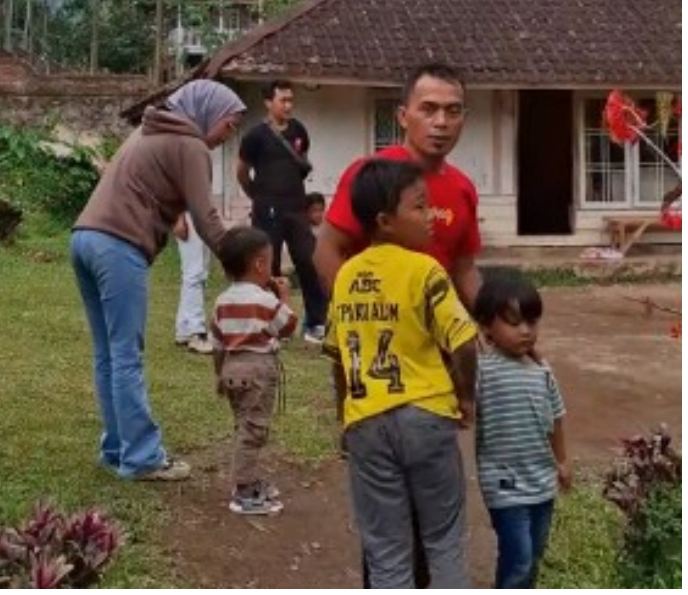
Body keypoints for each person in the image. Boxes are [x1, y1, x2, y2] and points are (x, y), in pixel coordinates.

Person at [314, 63, 485, 588]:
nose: (441, 122)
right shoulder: (372, 177)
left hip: (433, 385)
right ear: (402, 115)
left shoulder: (461, 189)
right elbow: (328, 251)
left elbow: (464, 271)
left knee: (425, 520)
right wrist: (369, 321)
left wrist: (501, 321)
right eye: (428, 109)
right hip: (386, 378)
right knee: (395, 536)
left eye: (453, 111)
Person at [72, 79, 244, 483]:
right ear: (208, 112)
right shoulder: (190, 146)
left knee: (108, 354)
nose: (228, 135)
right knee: (126, 354)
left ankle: (117, 448)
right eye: (229, 124)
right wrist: (241, 264)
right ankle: (143, 457)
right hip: (118, 244)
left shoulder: (148, 131)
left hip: (84, 237)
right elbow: (207, 218)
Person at [471, 271, 569, 589]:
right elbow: (462, 402)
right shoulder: (482, 371)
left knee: (535, 553)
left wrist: (563, 461)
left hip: (542, 480)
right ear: (486, 326)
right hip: (504, 484)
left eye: (532, 322)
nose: (526, 331)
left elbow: (556, 417)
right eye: (514, 323)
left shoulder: (541, 371)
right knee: (519, 557)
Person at [208, 226, 299, 515]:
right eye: (270, 261)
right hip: (258, 370)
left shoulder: (222, 301)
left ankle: (249, 478)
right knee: (254, 430)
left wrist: (219, 374)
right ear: (260, 264)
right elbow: (287, 326)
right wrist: (283, 296)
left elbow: (217, 342)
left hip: (231, 367)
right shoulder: (264, 300)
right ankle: (243, 489)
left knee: (243, 424)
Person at [237, 80, 327, 344]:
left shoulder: (299, 130)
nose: (288, 105)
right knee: (268, 267)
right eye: (282, 100)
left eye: (290, 100)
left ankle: (315, 323)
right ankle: (273, 324)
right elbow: (241, 172)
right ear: (268, 102)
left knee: (309, 261)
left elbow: (303, 160)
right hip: (267, 210)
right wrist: (258, 196)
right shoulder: (255, 136)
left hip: (296, 208)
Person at [173, 212, 213, 354]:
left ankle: (184, 327)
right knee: (194, 273)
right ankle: (197, 332)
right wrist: (178, 217)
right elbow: (176, 189)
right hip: (190, 214)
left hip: (200, 212)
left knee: (199, 272)